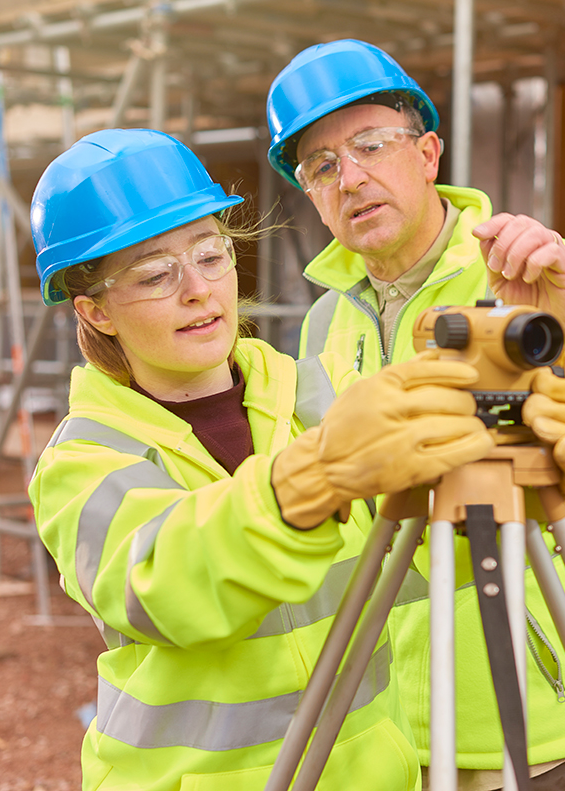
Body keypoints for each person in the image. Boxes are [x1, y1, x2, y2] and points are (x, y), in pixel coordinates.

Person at [266, 39, 565, 790]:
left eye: (371, 144)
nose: (350, 178)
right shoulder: (323, 326)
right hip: (378, 736)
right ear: (310, 195)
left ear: (428, 153)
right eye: (320, 165)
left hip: (540, 732)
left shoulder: (531, 271)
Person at [27, 127, 507, 791]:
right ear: (95, 311)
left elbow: (409, 563)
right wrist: (307, 481)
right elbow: (169, 587)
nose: (198, 290)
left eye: (211, 255)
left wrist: (506, 479)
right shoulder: (84, 457)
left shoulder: (311, 395)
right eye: (155, 274)